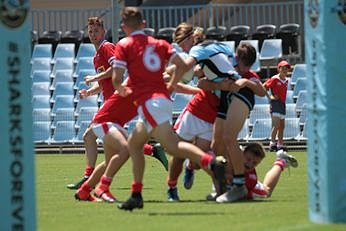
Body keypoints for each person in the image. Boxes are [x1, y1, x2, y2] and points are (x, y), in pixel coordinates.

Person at [112, 7, 227, 211]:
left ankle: (210, 163)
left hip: (148, 103)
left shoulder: (123, 44)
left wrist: (121, 89)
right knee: (134, 145)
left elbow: (117, 78)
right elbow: (182, 65)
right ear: (144, 25)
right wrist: (172, 85)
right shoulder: (159, 43)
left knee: (173, 147)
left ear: (123, 27)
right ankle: (136, 194)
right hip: (162, 101)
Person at [67, 16, 168, 190]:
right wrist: (89, 92)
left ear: (103, 32)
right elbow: (104, 83)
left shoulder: (107, 47)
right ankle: (152, 151)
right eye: (90, 32)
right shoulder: (96, 56)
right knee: (116, 145)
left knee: (89, 136)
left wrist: (94, 77)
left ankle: (88, 178)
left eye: (96, 31)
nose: (93, 34)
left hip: (117, 101)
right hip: (110, 101)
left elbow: (116, 69)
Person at [198, 43, 267, 202]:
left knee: (229, 138)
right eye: (243, 64)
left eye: (248, 66)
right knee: (216, 146)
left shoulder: (249, 75)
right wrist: (219, 85)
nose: (244, 68)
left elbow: (262, 92)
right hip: (224, 105)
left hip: (241, 99)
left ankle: (238, 184)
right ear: (236, 58)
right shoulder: (225, 67)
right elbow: (201, 83)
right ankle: (223, 186)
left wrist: (245, 82)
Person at [165, 24, 222, 201]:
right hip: (195, 112)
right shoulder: (191, 58)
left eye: (182, 43)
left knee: (198, 161)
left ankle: (191, 168)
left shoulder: (210, 53)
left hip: (212, 115)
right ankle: (171, 188)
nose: (181, 48)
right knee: (178, 154)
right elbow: (177, 72)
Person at [207, 142, 298, 202]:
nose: (250, 164)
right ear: (241, 153)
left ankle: (281, 161)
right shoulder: (232, 159)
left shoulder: (251, 178)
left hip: (249, 188)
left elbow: (242, 194)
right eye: (248, 159)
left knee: (267, 191)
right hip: (237, 180)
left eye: (254, 163)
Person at [263, 60, 291, 152]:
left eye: (286, 68)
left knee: (282, 126)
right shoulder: (274, 78)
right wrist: (270, 97)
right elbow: (264, 87)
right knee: (276, 125)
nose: (285, 70)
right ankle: (272, 143)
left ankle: (280, 144)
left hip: (282, 104)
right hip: (275, 104)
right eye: (283, 68)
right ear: (279, 69)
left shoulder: (286, 80)